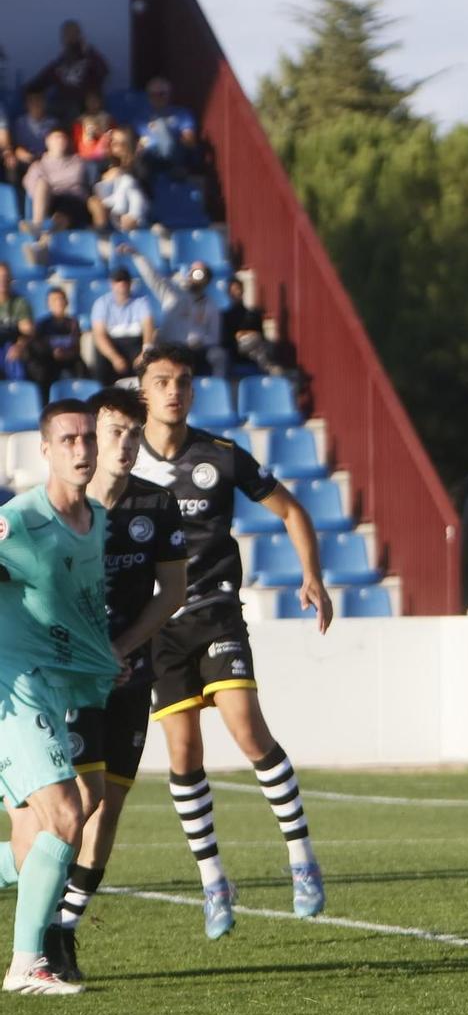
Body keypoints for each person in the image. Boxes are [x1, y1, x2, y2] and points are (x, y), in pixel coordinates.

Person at [130, 345, 333, 936]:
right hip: (157, 628)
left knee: (247, 729)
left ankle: (302, 860)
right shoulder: (123, 461)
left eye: (183, 381)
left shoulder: (219, 455)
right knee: (183, 754)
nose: (174, 390)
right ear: (143, 392)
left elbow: (292, 511)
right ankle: (214, 881)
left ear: (194, 391)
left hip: (216, 613)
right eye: (162, 381)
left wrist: (313, 576)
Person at [41, 389, 187, 983]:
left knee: (108, 806)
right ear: (89, 438)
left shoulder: (157, 505)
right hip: (71, 679)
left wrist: (122, 650)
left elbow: (172, 593)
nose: (123, 444)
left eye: (132, 432)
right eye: (112, 432)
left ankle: (63, 929)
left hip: (128, 675)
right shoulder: (56, 509)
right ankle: (40, 917)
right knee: (78, 802)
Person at [0, 400, 122, 994]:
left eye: (87, 438)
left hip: (52, 688)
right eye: (68, 440)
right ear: (45, 450)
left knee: (35, 837)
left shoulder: (96, 519)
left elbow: (76, 607)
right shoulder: (18, 520)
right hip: (13, 688)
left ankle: (28, 963)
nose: (81, 449)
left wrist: (104, 659)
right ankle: (27, 966)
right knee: (69, 813)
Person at [127, 249, 226, 377]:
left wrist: (200, 340)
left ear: (206, 280)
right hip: (170, 347)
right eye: (193, 271)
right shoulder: (173, 293)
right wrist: (137, 255)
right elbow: (152, 277)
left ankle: (217, 386)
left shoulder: (210, 305)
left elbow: (214, 337)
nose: (194, 276)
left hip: (195, 350)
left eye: (200, 273)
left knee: (218, 356)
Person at [23, 20, 110, 119]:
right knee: (40, 108)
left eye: (73, 34)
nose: (70, 38)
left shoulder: (90, 59)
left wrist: (88, 50)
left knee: (73, 109)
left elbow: (104, 71)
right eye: (67, 35)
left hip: (83, 109)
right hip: (61, 106)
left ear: (79, 36)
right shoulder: (59, 64)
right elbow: (40, 81)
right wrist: (27, 92)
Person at [89, 268, 155, 382]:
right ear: (112, 284)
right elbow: (99, 334)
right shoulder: (101, 303)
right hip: (112, 343)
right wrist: (114, 357)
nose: (122, 284)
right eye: (118, 281)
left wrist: (145, 351)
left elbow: (148, 326)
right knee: (101, 357)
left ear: (130, 283)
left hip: (134, 342)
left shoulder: (141, 301)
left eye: (125, 280)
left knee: (147, 364)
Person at [24, 127, 91, 229]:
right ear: (48, 141)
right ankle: (38, 225)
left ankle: (46, 234)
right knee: (42, 184)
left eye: (63, 138)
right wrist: (49, 187)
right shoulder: (37, 166)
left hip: (73, 200)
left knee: (62, 213)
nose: (60, 141)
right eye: (56, 137)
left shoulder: (77, 162)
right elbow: (31, 187)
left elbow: (74, 179)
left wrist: (51, 182)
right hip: (49, 201)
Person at [138, 78, 201, 179]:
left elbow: (189, 141)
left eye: (161, 94)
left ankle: (176, 170)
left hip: (176, 153)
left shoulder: (182, 113)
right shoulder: (141, 118)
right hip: (151, 156)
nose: (157, 98)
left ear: (169, 95)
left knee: (160, 124)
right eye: (153, 95)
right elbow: (140, 142)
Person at [25, 285, 85, 387]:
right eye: (54, 300)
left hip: (68, 361)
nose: (58, 303)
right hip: (47, 362)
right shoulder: (42, 325)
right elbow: (36, 347)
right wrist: (52, 353)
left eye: (61, 299)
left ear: (66, 302)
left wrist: (67, 354)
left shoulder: (73, 323)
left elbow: (76, 347)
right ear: (48, 304)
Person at [89, 158, 149, 233]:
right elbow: (107, 199)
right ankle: (100, 231)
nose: (112, 173)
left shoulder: (128, 182)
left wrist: (134, 216)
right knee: (94, 202)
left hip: (137, 226)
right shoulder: (106, 188)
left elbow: (138, 203)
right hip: (113, 225)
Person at [0, 268, 33, 382]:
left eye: (5, 277)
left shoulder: (20, 302)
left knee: (14, 357)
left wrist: (20, 346)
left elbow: (28, 331)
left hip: (12, 345)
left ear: (10, 279)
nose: (2, 281)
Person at [11, 90, 61, 162]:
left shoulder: (54, 123)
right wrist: (21, 153)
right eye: (32, 101)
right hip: (25, 161)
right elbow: (16, 147)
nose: (36, 104)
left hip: (48, 161)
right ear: (26, 104)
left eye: (39, 100)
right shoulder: (19, 123)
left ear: (44, 103)